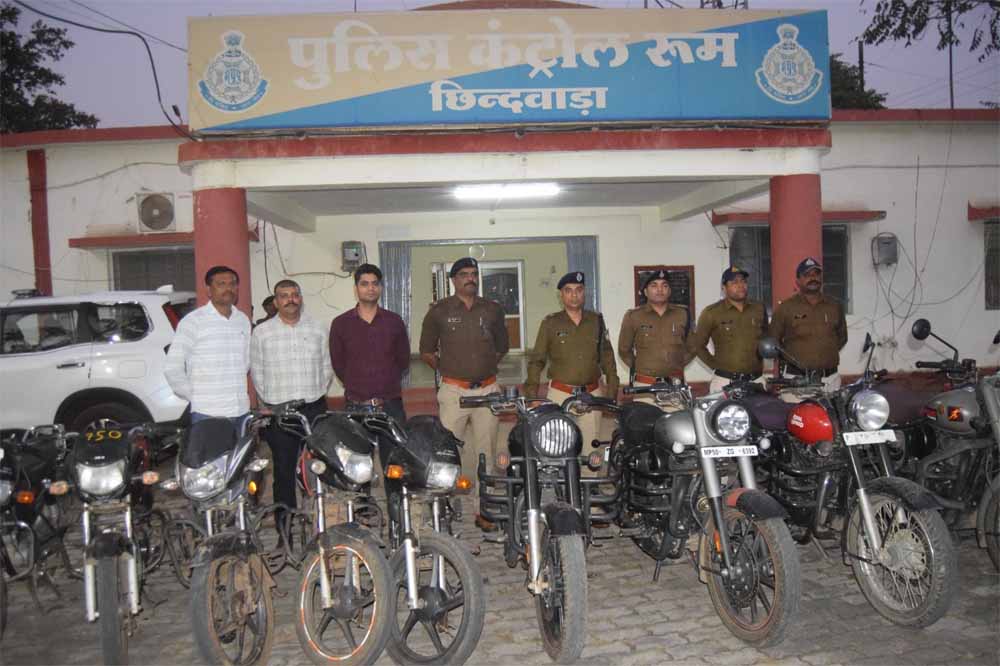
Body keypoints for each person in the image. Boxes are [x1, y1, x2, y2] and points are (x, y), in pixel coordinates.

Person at [419, 257, 509, 530]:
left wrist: (482, 368)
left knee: (486, 453)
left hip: (488, 391)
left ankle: (485, 508)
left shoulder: (492, 309)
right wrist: (451, 369)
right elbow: (426, 351)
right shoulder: (439, 311)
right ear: (453, 280)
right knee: (446, 452)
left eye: (474, 274)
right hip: (453, 392)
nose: (471, 278)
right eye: (464, 274)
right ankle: (442, 508)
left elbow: (502, 347)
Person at [250, 279, 333, 536]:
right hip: (280, 413)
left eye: (295, 294)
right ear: (276, 302)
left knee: (318, 468)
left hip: (313, 409)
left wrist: (315, 393)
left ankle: (320, 526)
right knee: (284, 472)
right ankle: (284, 531)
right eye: (284, 296)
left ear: (301, 298)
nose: (290, 300)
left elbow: (327, 366)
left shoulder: (317, 328)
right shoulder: (262, 333)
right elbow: (257, 371)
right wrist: (271, 400)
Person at [525, 271, 618, 452]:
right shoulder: (550, 323)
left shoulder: (596, 320)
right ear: (561, 295)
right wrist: (531, 396)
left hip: (591, 395)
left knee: (591, 451)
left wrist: (611, 391)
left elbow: (607, 357)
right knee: (558, 447)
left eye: (579, 290)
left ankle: (588, 472)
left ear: (584, 293)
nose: (574, 295)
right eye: (568, 290)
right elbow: (537, 360)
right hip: (560, 394)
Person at [165, 265, 251, 427]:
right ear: (209, 290)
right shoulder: (193, 321)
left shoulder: (242, 320)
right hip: (208, 413)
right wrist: (195, 398)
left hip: (241, 410)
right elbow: (173, 368)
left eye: (232, 284)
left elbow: (245, 363)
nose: (228, 289)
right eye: (221, 284)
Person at [329, 263, 410, 424]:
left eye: (375, 283)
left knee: (396, 442)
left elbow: (403, 359)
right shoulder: (341, 323)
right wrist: (357, 383)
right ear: (356, 289)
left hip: (390, 404)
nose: (370, 288)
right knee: (357, 442)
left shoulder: (394, 321)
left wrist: (386, 380)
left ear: (380, 287)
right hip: (355, 404)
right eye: (364, 284)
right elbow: (338, 364)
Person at [768, 257, 848, 391]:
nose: (813, 278)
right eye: (807, 275)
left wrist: (823, 353)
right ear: (798, 281)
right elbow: (773, 342)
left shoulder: (834, 306)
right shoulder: (785, 308)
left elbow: (842, 337)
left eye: (816, 274)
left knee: (832, 406)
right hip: (796, 380)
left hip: (830, 380)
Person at [687, 266, 769, 394]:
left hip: (756, 381)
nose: (740, 285)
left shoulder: (758, 308)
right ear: (724, 288)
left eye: (743, 281)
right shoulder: (711, 312)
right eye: (734, 282)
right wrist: (715, 365)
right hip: (725, 381)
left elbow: (766, 338)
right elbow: (697, 345)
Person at [617, 269, 692, 406]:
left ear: (669, 291)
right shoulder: (633, 316)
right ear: (646, 292)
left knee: (677, 420)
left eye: (664, 285)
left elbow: (692, 347)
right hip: (644, 386)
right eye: (654, 285)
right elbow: (624, 350)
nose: (660, 290)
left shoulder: (682, 314)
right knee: (646, 420)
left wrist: (677, 366)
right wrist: (640, 367)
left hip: (674, 385)